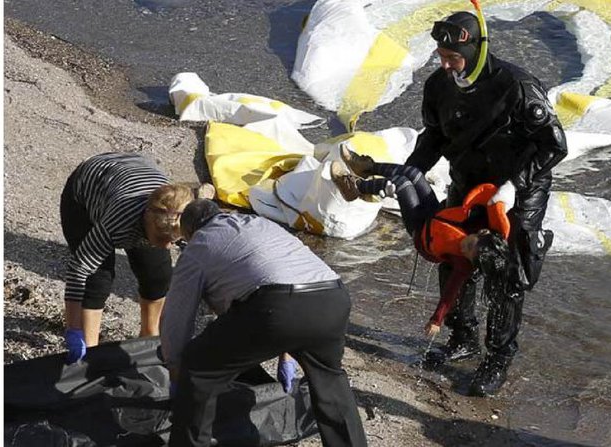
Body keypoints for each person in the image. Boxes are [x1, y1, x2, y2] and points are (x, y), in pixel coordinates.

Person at [405, 7, 565, 396]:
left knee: (504, 270)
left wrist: (513, 185)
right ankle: (462, 338)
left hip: (519, 188)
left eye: (453, 58)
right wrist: (411, 170)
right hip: (468, 180)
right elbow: (435, 136)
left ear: (475, 51)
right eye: (441, 58)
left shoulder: (517, 87)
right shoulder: (439, 86)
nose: (446, 66)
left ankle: (498, 357)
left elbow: (555, 145)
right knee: (453, 255)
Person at [161, 199, 367, 447]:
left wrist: (176, 372)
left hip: (277, 306)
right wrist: (286, 356)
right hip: (332, 297)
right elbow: (277, 282)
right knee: (330, 381)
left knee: (198, 366)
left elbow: (176, 316)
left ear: (191, 231)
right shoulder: (260, 223)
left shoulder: (198, 245)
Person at [331, 148, 511, 336]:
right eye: (470, 244)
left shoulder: (463, 265)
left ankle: (355, 188)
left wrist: (436, 320)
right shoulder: (481, 224)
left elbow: (450, 294)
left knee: (401, 184)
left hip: (421, 231)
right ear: (482, 232)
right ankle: (366, 167)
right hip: (433, 215)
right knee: (414, 173)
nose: (464, 249)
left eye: (468, 253)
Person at [59, 152, 202, 364]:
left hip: (134, 171)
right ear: (146, 222)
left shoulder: (183, 217)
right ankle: (90, 351)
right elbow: (80, 269)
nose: (169, 246)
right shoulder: (119, 220)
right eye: (162, 238)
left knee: (157, 275)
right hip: (86, 191)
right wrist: (73, 328)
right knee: (98, 279)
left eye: (173, 240)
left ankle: (148, 336)